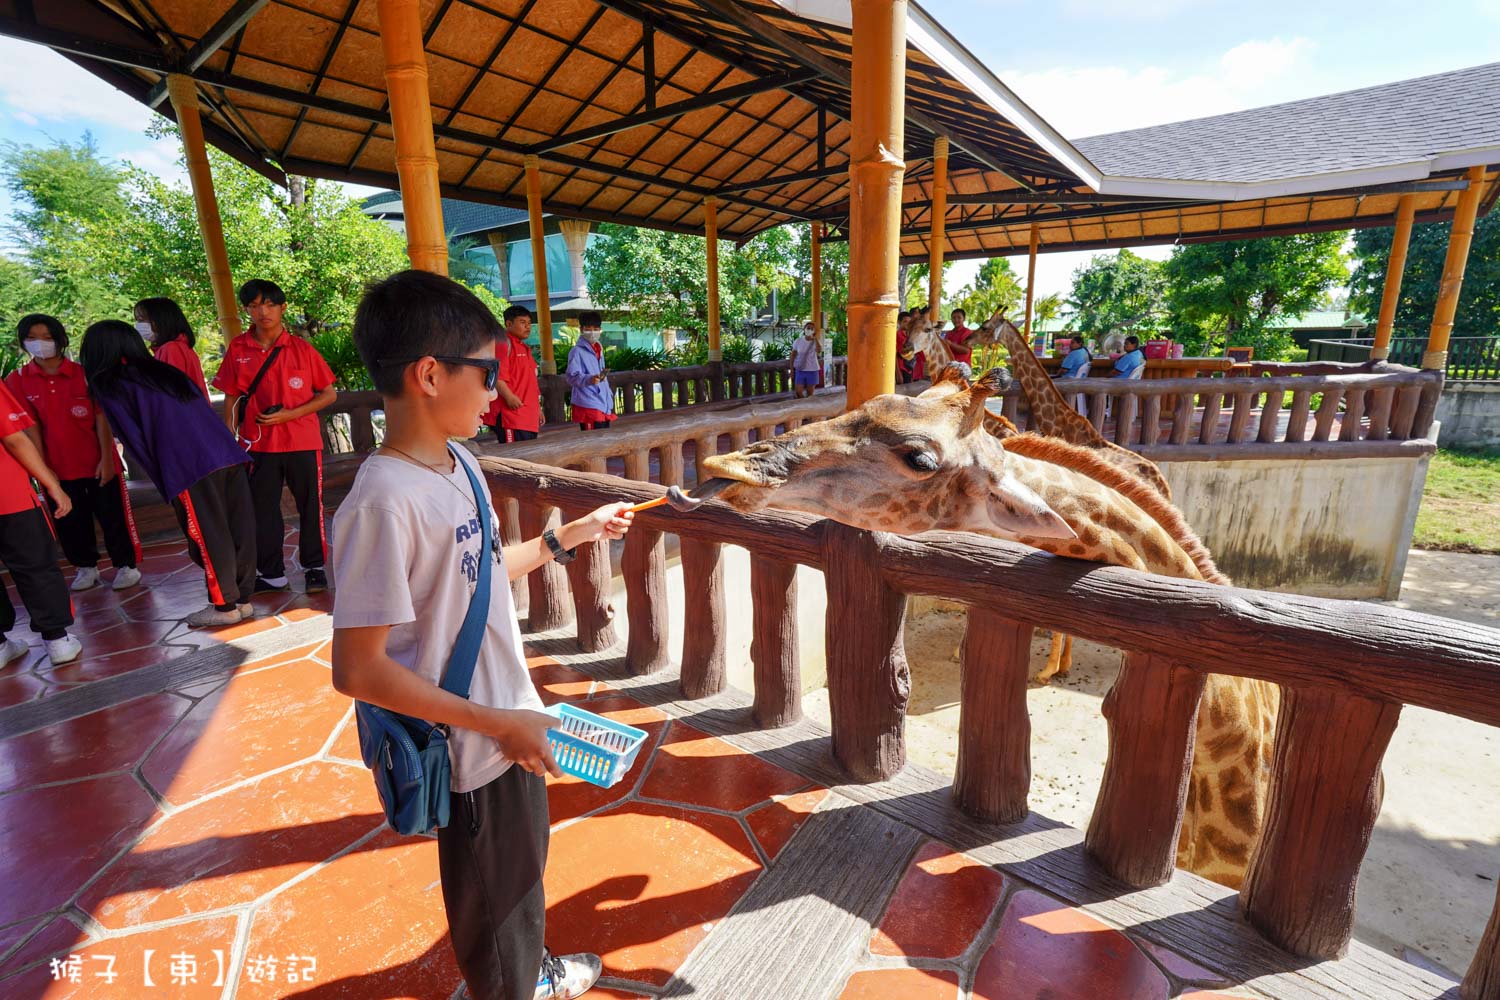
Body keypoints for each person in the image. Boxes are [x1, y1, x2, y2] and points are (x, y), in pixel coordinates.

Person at [331, 269, 632, 1000]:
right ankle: (512, 986)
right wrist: (495, 723)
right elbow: (358, 670)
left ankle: (531, 972)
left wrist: (572, 540)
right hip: (471, 744)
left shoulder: (462, 462)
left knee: (520, 872)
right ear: (430, 374)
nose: (498, 390)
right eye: (487, 372)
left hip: (510, 721)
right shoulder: (381, 503)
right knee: (491, 902)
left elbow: (483, 577)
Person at [81, 320, 257, 629]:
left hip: (187, 465)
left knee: (208, 534)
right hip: (226, 454)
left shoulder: (110, 384)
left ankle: (224, 605)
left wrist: (166, 479)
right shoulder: (164, 373)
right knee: (237, 528)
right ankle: (242, 600)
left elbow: (134, 438)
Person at [213, 279, 337, 596]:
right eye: (255, 305)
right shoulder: (238, 349)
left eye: (269, 304)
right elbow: (231, 397)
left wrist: (289, 415)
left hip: (302, 442)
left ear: (282, 308)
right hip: (258, 444)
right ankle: (272, 573)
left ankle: (314, 568)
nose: (263, 311)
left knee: (310, 506)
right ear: (246, 310)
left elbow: (328, 394)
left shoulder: (302, 349)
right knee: (262, 510)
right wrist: (230, 438)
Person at [6, 314, 142, 594]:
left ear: (60, 339)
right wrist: (45, 470)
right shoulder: (18, 380)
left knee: (112, 515)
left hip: (97, 463)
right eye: (32, 338)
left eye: (46, 337)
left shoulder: (84, 373)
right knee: (69, 522)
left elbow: (102, 418)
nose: (39, 344)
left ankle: (126, 565)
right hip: (57, 469)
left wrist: (107, 459)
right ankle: (85, 567)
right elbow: (28, 429)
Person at [0, 372, 79, 666]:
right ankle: (57, 640)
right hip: (8, 496)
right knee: (35, 566)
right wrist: (52, 484)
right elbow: (14, 439)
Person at [486, 305, 543, 443]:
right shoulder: (503, 343)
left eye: (529, 323)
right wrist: (509, 397)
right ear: (509, 323)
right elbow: (497, 375)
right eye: (522, 322)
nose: (528, 327)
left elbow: (530, 383)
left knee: (527, 459)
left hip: (527, 416)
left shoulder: (524, 347)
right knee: (515, 460)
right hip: (510, 416)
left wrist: (538, 410)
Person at [135, 297, 210, 399]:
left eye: (141, 320)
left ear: (160, 319)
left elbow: (172, 394)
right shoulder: (177, 346)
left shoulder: (171, 349)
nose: (138, 325)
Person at [564, 311, 613, 430]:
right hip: (588, 404)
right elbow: (571, 377)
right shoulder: (576, 351)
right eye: (588, 329)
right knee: (593, 444)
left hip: (602, 404)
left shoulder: (599, 349)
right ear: (581, 329)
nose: (592, 333)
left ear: (600, 330)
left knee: (604, 442)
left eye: (596, 329)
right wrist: (589, 379)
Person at [790, 321, 821, 399]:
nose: (809, 330)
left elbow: (819, 350)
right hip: (800, 369)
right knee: (798, 392)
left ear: (814, 331)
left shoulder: (815, 342)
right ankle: (803, 404)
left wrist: (815, 338)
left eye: (811, 328)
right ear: (804, 329)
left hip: (812, 369)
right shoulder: (798, 341)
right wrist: (791, 370)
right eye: (808, 328)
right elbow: (793, 355)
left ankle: (809, 408)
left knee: (810, 393)